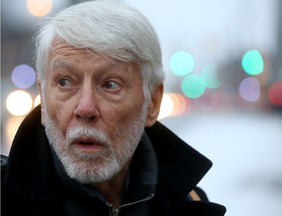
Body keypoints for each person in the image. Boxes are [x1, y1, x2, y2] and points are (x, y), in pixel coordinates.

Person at [1, 1, 226, 215]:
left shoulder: (190, 204)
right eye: (65, 82)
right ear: (42, 95)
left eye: (110, 84)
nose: (85, 108)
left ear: (153, 103)